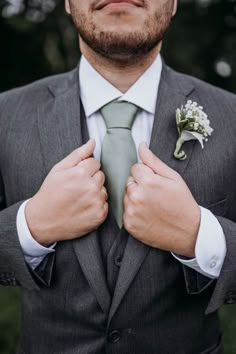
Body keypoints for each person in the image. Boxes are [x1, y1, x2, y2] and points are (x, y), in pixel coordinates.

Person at [0, 0, 235, 353]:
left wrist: (201, 236)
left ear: (172, 4)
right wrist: (28, 227)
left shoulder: (232, 115)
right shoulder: (6, 114)